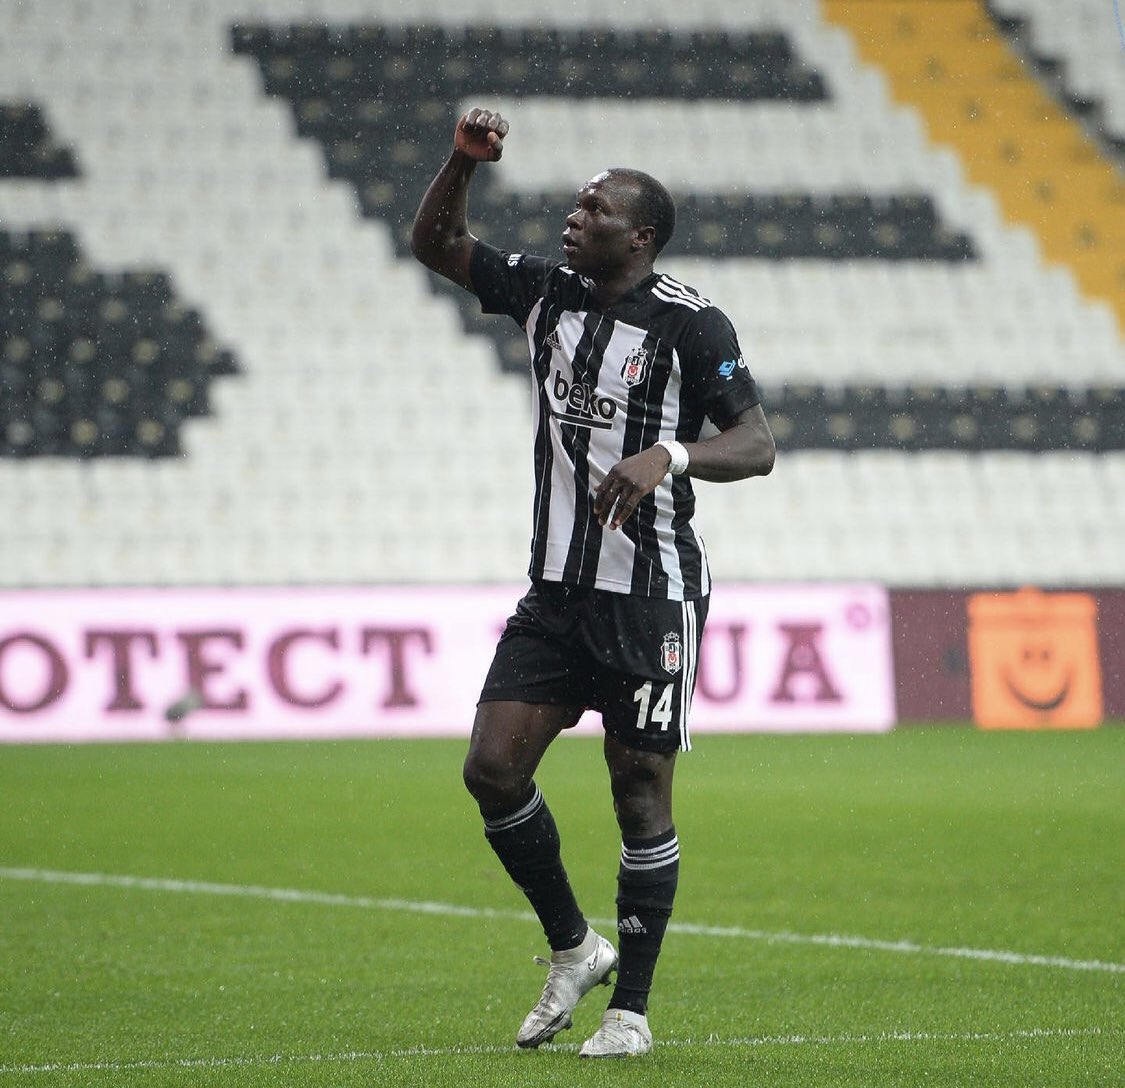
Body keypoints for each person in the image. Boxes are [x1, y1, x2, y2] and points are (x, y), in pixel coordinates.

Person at [411, 107, 775, 1059]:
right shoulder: (545, 292)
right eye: (575, 205)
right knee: (491, 770)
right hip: (556, 591)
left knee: (638, 791)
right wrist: (462, 162)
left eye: (594, 209)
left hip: (651, 594)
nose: (573, 218)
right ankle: (576, 948)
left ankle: (630, 1014)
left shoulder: (692, 324)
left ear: (640, 236)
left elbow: (756, 444)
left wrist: (670, 453)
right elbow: (436, 243)